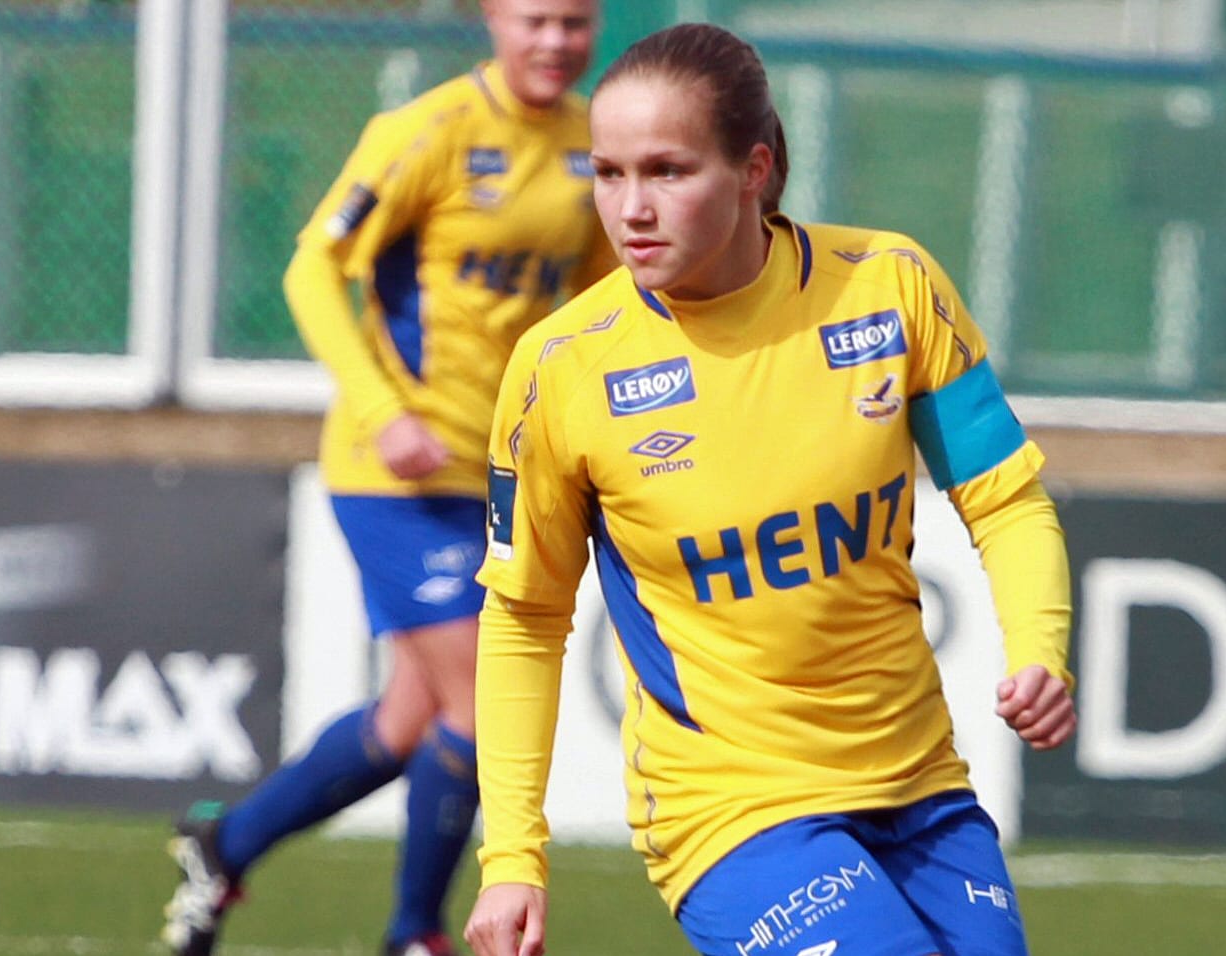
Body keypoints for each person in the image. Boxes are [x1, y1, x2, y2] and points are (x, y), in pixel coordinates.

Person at [461, 22, 1076, 956]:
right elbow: (523, 618)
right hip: (730, 813)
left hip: (921, 789)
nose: (630, 208)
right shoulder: (561, 369)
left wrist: (1040, 650)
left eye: (667, 171)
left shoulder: (890, 288)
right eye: (608, 173)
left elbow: (1006, 499)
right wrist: (512, 857)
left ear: (753, 168)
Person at [159, 3, 609, 955]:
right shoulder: (427, 131)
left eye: (574, 22)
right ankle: (413, 934)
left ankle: (224, 845)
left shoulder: (593, 144)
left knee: (408, 721)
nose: (555, 41)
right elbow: (313, 271)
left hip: (497, 475)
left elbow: (601, 307)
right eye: (534, 19)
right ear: (492, 17)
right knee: (481, 704)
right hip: (393, 475)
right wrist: (382, 410)